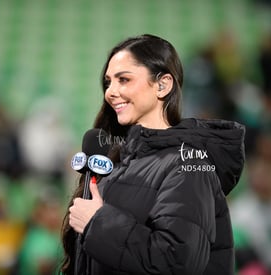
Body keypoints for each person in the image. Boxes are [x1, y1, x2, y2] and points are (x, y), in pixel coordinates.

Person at [61, 34, 245, 275]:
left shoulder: (190, 165)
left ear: (163, 85)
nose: (110, 92)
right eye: (108, 83)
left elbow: (177, 260)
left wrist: (98, 223)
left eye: (123, 79)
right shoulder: (121, 163)